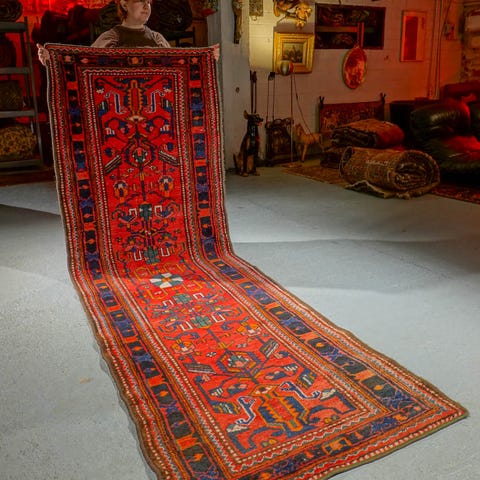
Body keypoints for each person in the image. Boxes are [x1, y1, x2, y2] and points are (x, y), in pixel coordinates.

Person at [37, 0, 219, 65]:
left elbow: (178, 65)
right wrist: (52, 58)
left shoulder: (157, 38)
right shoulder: (111, 37)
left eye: (149, 2)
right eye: (140, 1)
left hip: (153, 119)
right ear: (124, 4)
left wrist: (206, 59)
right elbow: (82, 62)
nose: (147, 6)